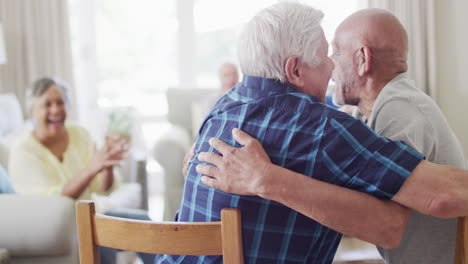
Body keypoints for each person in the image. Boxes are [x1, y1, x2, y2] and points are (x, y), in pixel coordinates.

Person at [157, 3, 433, 263]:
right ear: (295, 69)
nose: (332, 66)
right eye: (326, 55)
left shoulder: (221, 109)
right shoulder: (322, 128)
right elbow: (398, 223)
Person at [8, 77, 154, 264]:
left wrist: (106, 166)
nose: (56, 110)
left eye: (60, 102)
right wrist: (93, 168)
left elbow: (103, 188)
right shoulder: (23, 151)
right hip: (55, 228)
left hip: (92, 217)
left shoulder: (79, 133)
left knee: (146, 225)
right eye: (47, 104)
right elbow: (56, 203)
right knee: (102, 241)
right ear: (32, 112)